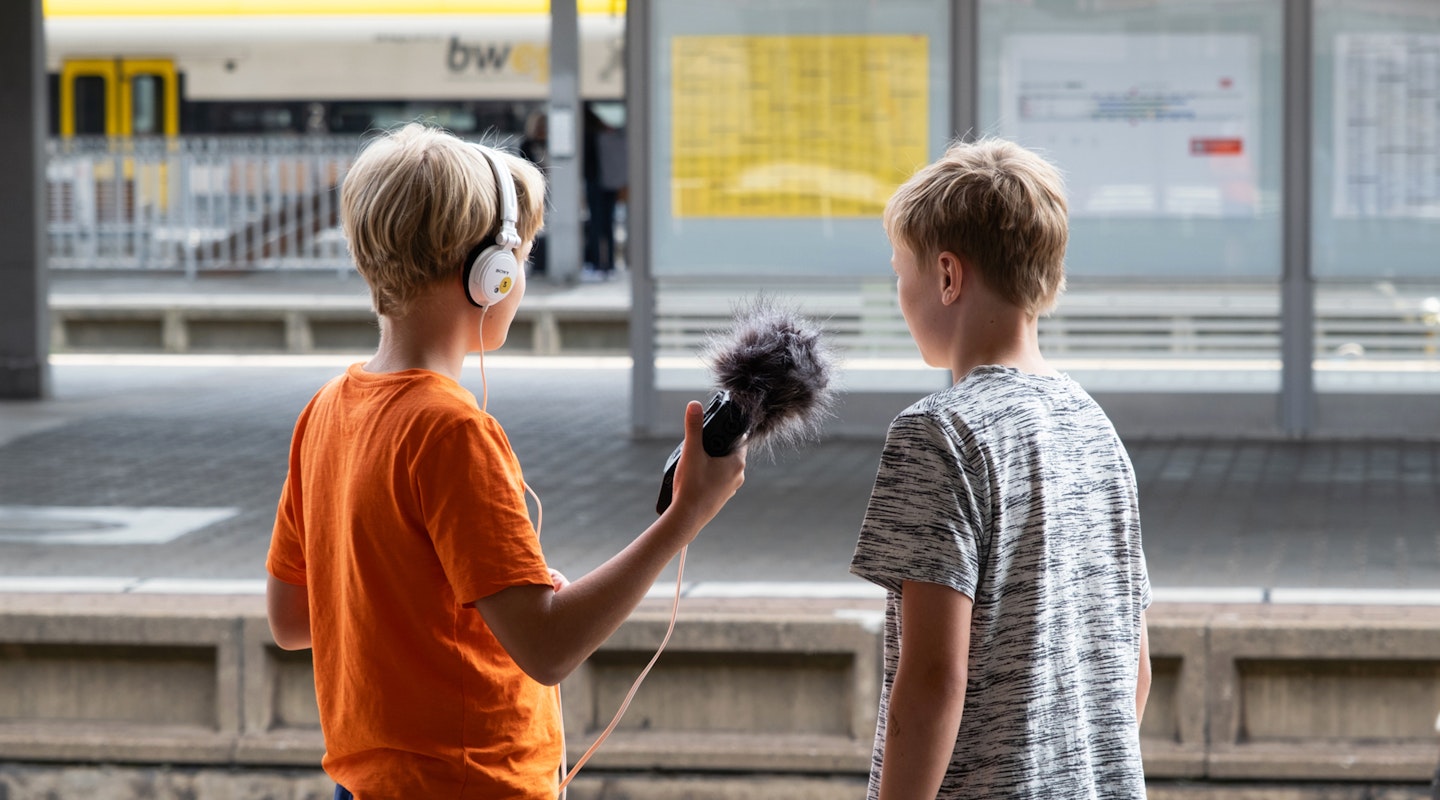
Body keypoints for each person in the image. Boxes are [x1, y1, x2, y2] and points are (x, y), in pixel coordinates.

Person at [265, 122, 746, 799]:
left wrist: (419, 601)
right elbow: (546, 649)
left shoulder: (325, 410)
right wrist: (685, 517)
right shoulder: (451, 431)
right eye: (520, 258)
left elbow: (290, 621)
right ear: (489, 273)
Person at [848, 138, 1151, 798]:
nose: (900, 295)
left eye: (903, 272)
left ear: (948, 276)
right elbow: (1133, 664)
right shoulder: (1095, 428)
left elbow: (932, 681)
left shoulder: (937, 434)